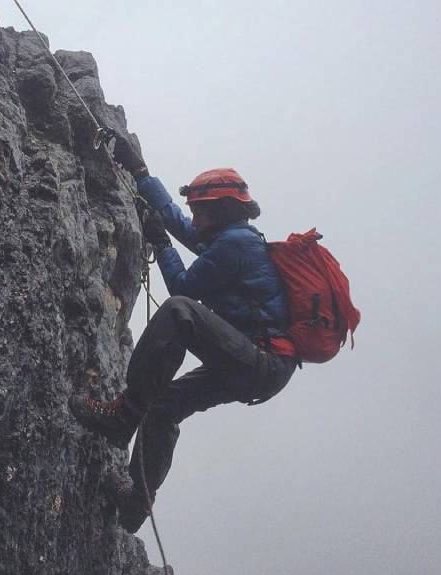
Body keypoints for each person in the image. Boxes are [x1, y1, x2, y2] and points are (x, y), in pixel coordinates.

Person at [69, 128, 299, 533]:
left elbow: (184, 291)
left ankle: (124, 413)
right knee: (165, 408)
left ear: (222, 211)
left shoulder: (235, 246)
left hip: (260, 360)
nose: (194, 217)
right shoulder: (228, 237)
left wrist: (161, 245)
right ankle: (136, 502)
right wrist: (139, 172)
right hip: (258, 363)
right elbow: (175, 220)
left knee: (180, 313)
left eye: (200, 210)